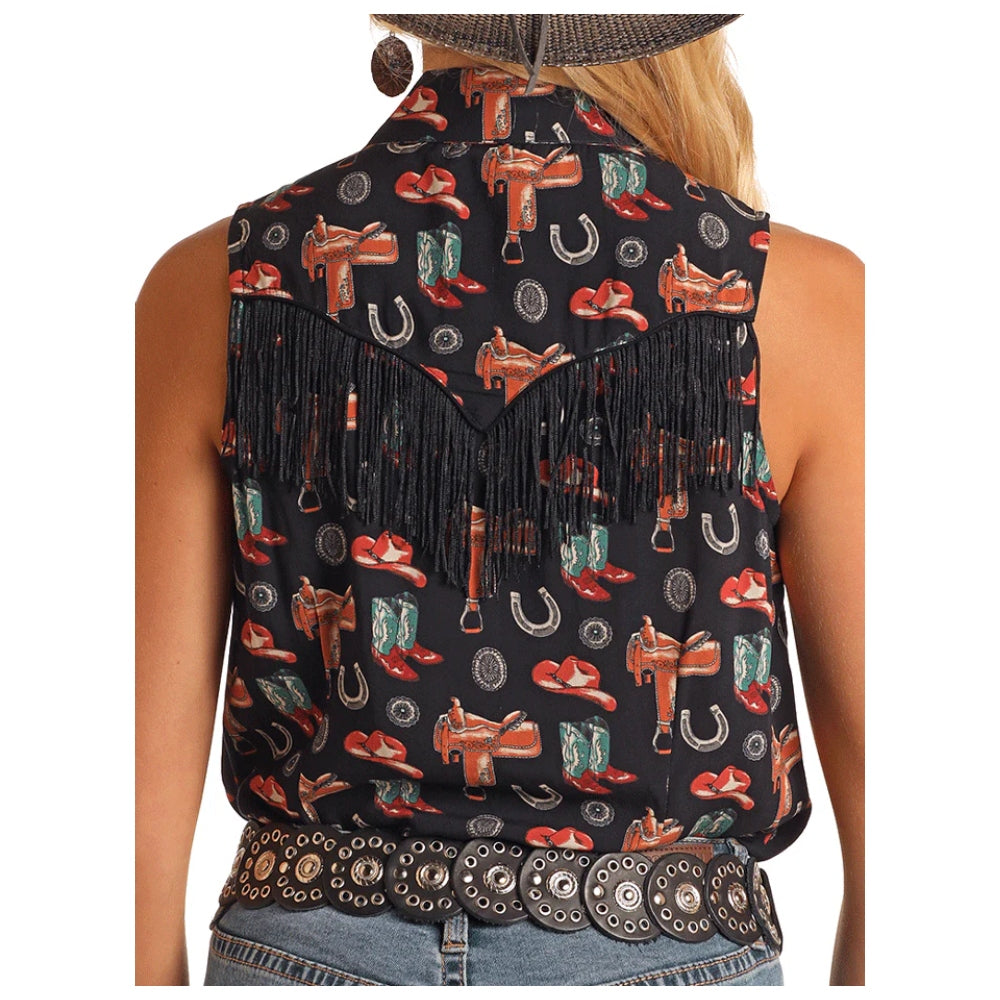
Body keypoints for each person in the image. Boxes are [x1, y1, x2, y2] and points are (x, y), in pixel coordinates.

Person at [136, 13, 863, 987]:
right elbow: (899, 805)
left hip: (308, 944)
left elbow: (132, 814)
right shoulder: (795, 301)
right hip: (658, 945)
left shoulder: (218, 285)